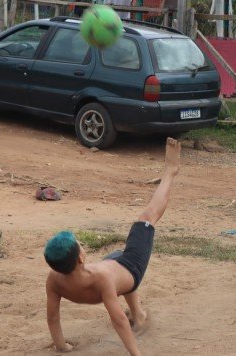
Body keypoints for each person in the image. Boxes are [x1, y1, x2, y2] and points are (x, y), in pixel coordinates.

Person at [44, 138, 181, 354]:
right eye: (80, 245)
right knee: (148, 216)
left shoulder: (54, 279)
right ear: (81, 257)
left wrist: (62, 347)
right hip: (131, 267)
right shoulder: (102, 279)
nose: (81, 245)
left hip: (110, 265)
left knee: (113, 257)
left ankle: (138, 314)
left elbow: (52, 316)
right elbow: (118, 320)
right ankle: (171, 171)